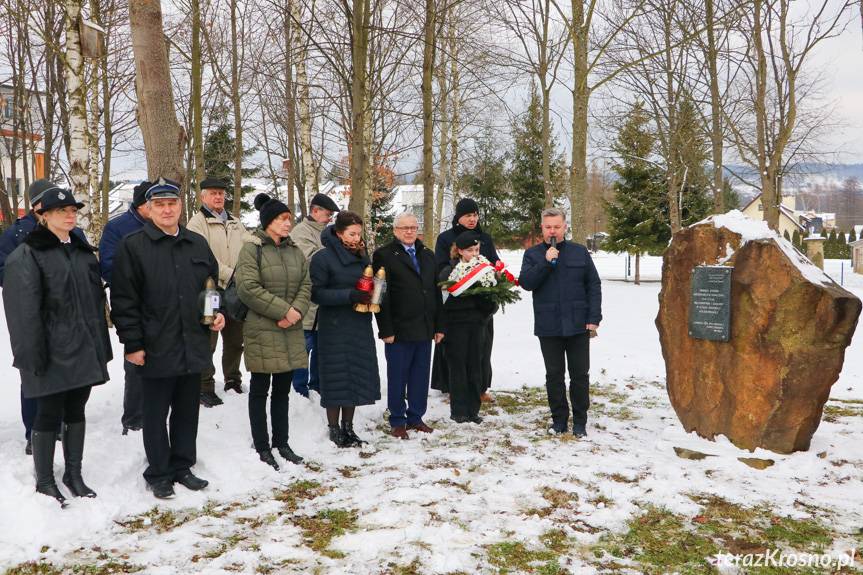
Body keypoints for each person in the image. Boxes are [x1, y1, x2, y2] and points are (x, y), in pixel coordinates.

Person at [110, 178, 225, 499]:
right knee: (155, 415)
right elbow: (123, 301)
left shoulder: (196, 243)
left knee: (187, 411)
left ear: (180, 206)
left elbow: (212, 286)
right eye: (159, 204)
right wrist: (132, 345)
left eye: (171, 203)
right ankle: (158, 472)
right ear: (147, 209)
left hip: (192, 343)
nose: (166, 210)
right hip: (155, 346)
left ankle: (182, 465)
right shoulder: (133, 246)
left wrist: (218, 312)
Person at [3, 186, 112, 505]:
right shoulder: (26, 254)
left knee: (76, 410)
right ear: (43, 215)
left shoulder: (80, 250)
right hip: (49, 350)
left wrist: (100, 346)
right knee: (48, 414)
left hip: (83, 346)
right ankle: (45, 480)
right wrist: (32, 355)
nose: (69, 215)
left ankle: (73, 474)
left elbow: (95, 302)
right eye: (61, 211)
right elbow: (23, 311)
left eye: (73, 211)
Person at [0, 179, 86, 455]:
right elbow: (6, 269)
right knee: (34, 377)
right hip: (33, 316)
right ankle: (33, 430)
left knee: (66, 377)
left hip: (70, 319)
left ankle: (58, 423)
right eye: (41, 203)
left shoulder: (75, 234)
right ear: (35, 206)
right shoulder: (16, 234)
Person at [236, 194, 311, 469]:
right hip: (262, 328)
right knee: (260, 389)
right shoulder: (252, 249)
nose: (287, 223)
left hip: (290, 329)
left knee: (282, 390)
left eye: (289, 218)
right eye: (282, 219)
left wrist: (296, 312)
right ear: (268, 222)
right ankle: (262, 445)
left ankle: (282, 442)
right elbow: (248, 288)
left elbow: (306, 284)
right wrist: (283, 311)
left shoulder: (294, 250)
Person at [519, 208, 602, 437]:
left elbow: (593, 285)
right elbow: (526, 282)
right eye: (548, 227)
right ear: (542, 229)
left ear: (565, 227)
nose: (552, 231)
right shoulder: (533, 255)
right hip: (549, 325)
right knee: (554, 375)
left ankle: (580, 421)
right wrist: (545, 263)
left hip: (578, 324)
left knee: (579, 375)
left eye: (556, 226)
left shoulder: (579, 252)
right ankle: (559, 420)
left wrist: (594, 318)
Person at [310, 211, 380, 447]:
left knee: (354, 376)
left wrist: (374, 294)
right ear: (339, 233)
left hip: (358, 323)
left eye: (359, 233)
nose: (356, 238)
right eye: (351, 233)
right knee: (335, 376)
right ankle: (334, 428)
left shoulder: (362, 256)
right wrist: (349, 295)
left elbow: (368, 283)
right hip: (334, 326)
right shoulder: (323, 258)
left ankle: (349, 427)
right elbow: (317, 293)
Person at [373, 212, 444, 439]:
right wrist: (386, 329)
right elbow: (378, 294)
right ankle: (397, 421)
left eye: (413, 227)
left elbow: (435, 292)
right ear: (395, 230)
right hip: (398, 330)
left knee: (420, 376)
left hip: (424, 328)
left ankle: (415, 417)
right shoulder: (383, 255)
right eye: (404, 228)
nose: (409, 231)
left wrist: (439, 326)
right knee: (398, 376)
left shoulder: (427, 254)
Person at [186, 177, 249, 407]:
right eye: (213, 193)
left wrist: (245, 273)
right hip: (209, 288)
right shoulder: (197, 223)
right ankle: (205, 385)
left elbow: (248, 248)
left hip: (235, 289)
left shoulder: (235, 222)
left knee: (235, 339)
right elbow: (202, 258)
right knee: (208, 340)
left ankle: (233, 379)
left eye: (221, 193)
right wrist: (231, 273)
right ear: (202, 196)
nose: (218, 197)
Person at [433, 198, 499, 401]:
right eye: (468, 215)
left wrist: (494, 276)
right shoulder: (446, 238)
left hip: (482, 304)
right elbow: (441, 268)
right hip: (456, 303)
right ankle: (453, 388)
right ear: (458, 217)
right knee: (456, 349)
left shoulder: (484, 238)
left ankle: (480, 388)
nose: (472, 219)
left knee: (482, 346)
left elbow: (493, 262)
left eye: (475, 215)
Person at [98, 180, 151, 435]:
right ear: (142, 205)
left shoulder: (166, 226)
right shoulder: (117, 227)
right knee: (136, 359)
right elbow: (107, 266)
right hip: (132, 302)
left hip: (163, 306)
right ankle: (134, 417)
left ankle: (157, 410)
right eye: (153, 204)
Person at [439, 231, 498, 424]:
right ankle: (459, 410)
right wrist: (472, 302)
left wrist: (485, 307)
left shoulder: (485, 271)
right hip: (455, 327)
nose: (474, 253)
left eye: (477, 250)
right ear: (459, 251)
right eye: (470, 250)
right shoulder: (449, 272)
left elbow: (491, 301)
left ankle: (473, 410)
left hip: (477, 326)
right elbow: (445, 302)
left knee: (475, 366)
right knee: (458, 368)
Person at [289, 193, 339, 397]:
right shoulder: (301, 231)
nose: (329, 218)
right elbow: (310, 259)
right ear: (315, 211)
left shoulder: (329, 233)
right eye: (327, 214)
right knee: (303, 349)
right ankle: (298, 390)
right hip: (306, 302)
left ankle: (317, 386)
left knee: (321, 350)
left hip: (323, 306)